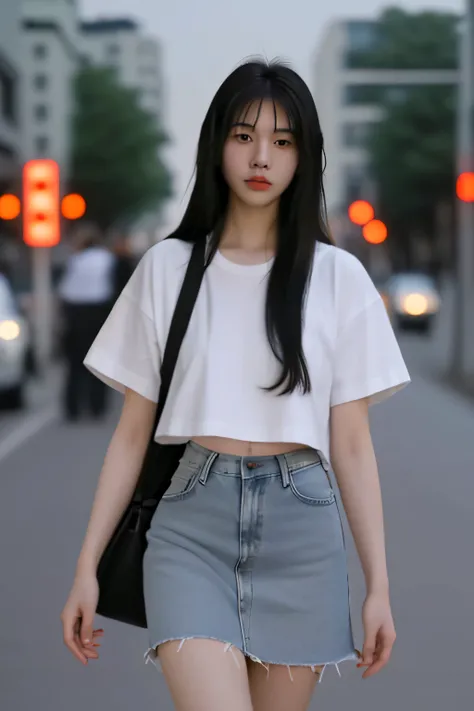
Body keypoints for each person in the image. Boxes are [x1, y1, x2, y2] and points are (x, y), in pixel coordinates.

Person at [61, 60, 410, 711]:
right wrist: (87, 566)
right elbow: (132, 432)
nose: (261, 156)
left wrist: (378, 586)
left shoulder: (339, 279)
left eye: (283, 141)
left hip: (302, 530)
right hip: (191, 524)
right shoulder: (168, 268)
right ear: (216, 141)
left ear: (304, 157)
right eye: (244, 135)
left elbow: (354, 446)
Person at [57, 224, 116, 421]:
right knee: (98, 364)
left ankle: (72, 408)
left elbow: (65, 290)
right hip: (99, 313)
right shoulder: (107, 259)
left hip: (76, 314)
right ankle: (96, 407)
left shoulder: (75, 260)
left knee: (74, 365)